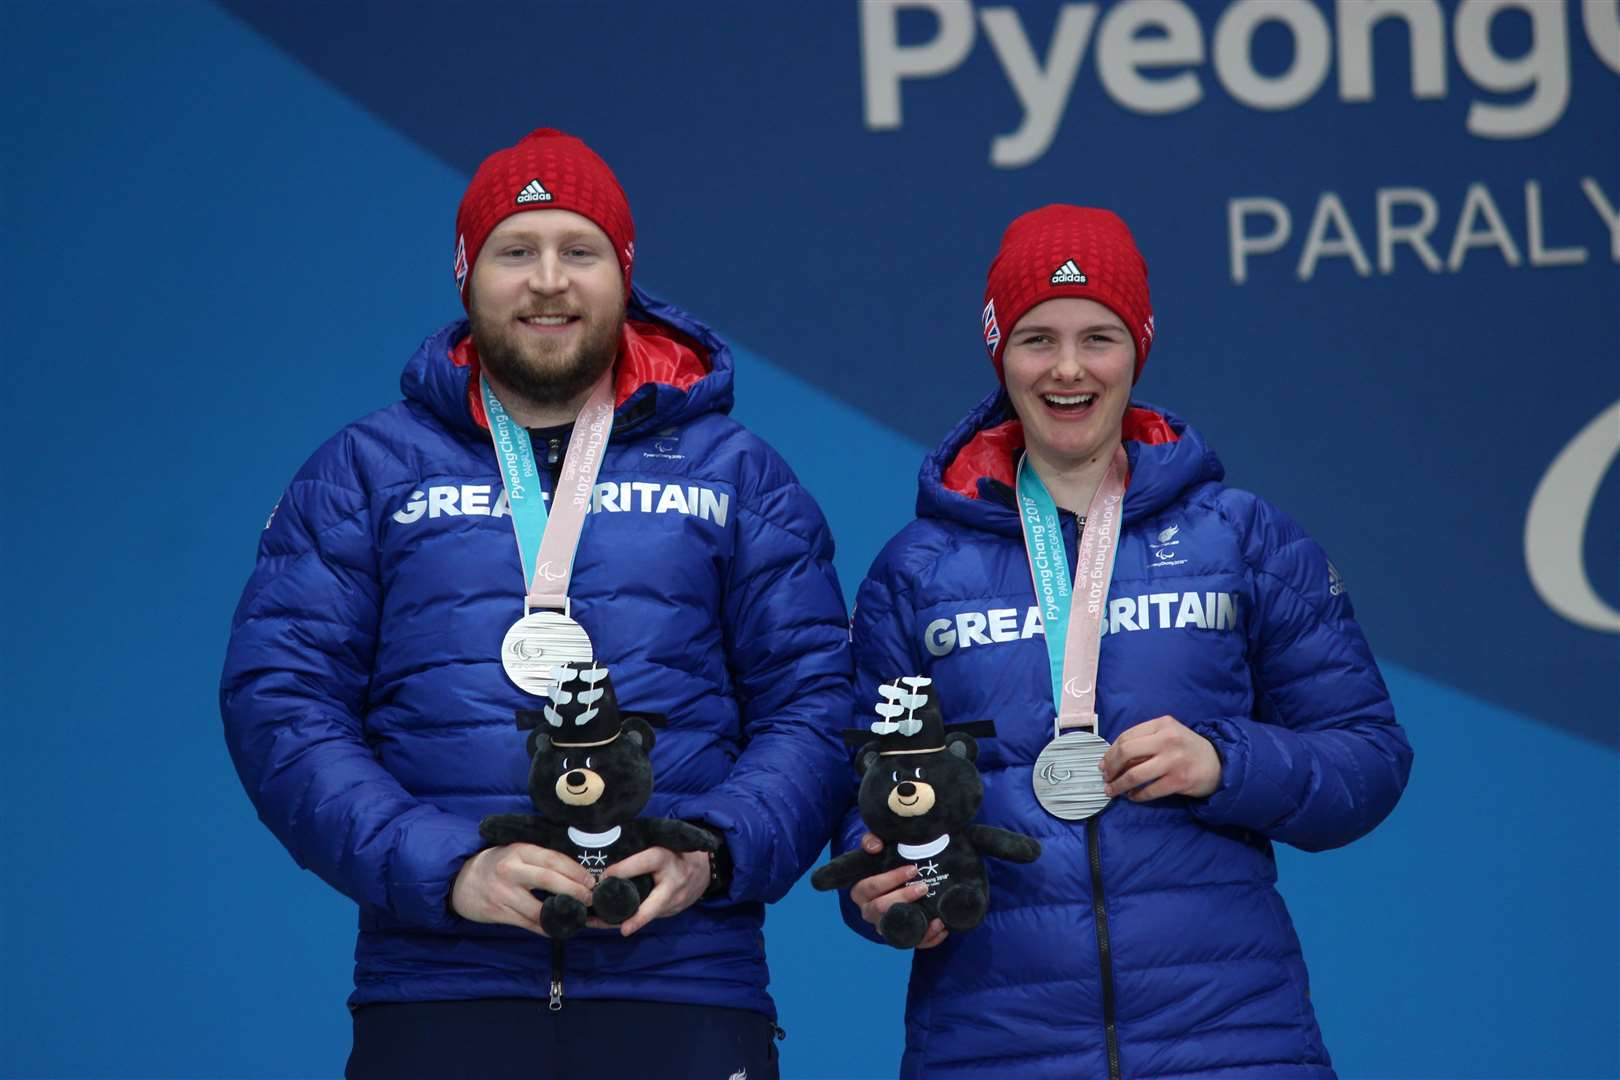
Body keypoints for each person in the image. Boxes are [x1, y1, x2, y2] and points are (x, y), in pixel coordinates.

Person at [220, 128, 853, 1080]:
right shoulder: (365, 472)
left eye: (580, 251)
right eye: (518, 251)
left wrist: (710, 853)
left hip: (685, 989)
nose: (549, 281)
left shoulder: (736, 474)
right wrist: (446, 870)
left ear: (623, 276)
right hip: (436, 991)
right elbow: (280, 701)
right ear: (468, 276)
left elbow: (817, 702)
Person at [837, 205, 1413, 1079]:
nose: (1068, 369)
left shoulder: (1242, 539)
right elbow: (860, 796)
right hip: (992, 1047)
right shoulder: (918, 571)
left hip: (1231, 1042)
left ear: (1139, 346)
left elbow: (1370, 759)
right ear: (1000, 351)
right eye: (1037, 339)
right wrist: (874, 886)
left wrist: (1227, 763)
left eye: (1098, 337)